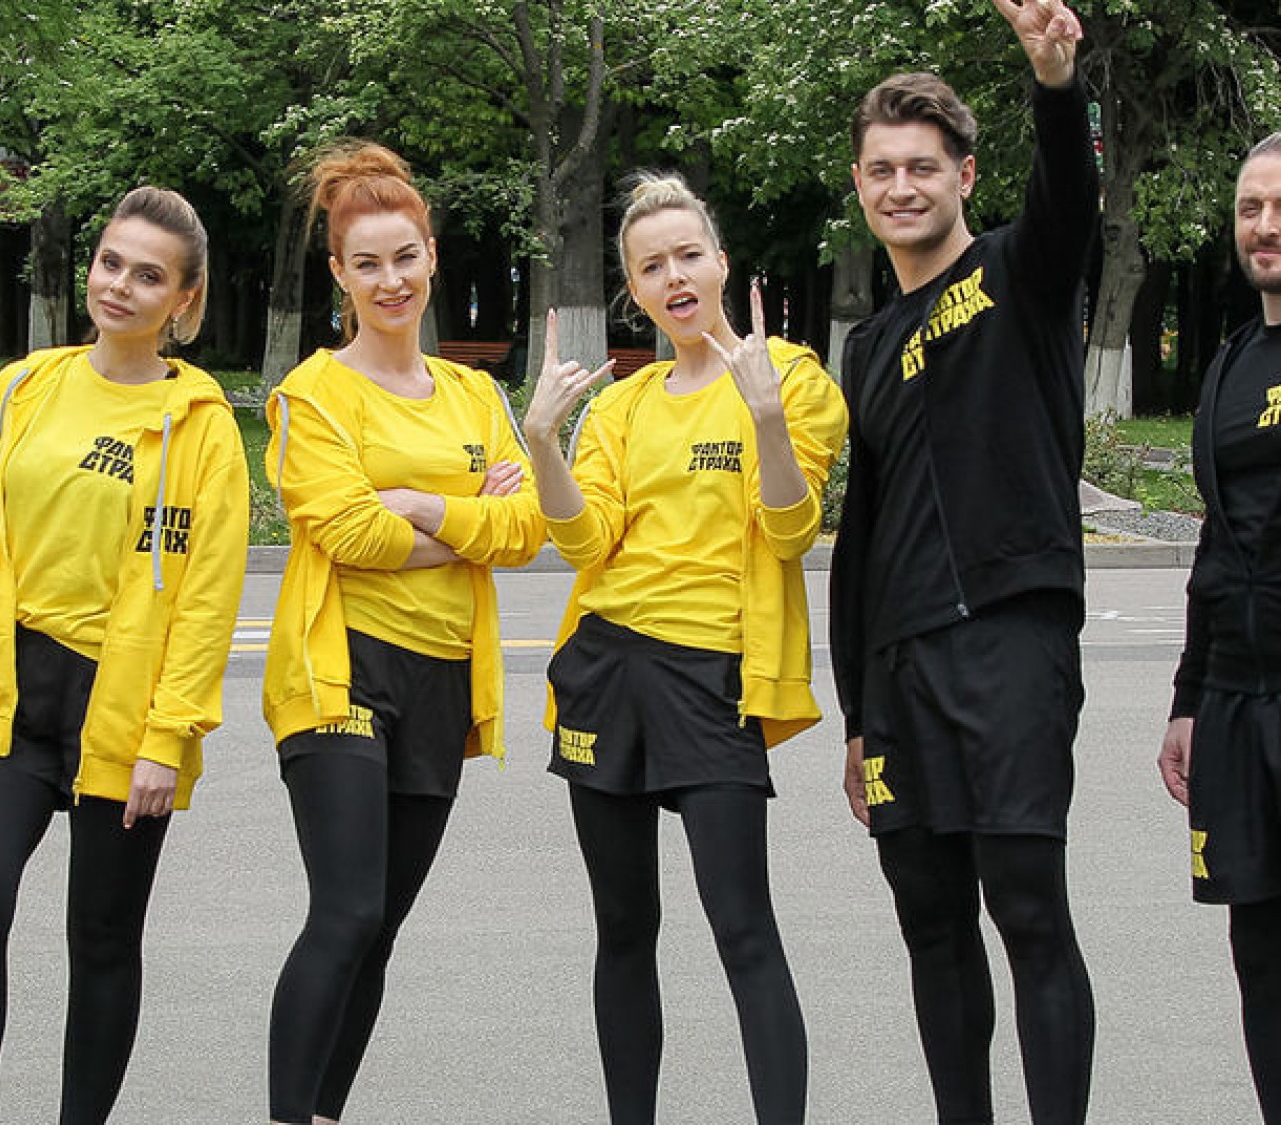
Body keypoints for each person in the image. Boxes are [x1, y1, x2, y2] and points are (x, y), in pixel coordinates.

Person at [524, 174, 847, 1124]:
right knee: (624, 928)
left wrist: (768, 419)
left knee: (744, 928)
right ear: (634, 288)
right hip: (606, 668)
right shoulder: (624, 406)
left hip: (714, 677)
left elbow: (790, 530)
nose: (674, 277)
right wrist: (542, 441)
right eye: (651, 266)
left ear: (721, 263)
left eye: (688, 256)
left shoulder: (787, 377)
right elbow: (587, 542)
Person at [0, 186, 249, 1125]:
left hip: (126, 709)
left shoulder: (203, 427)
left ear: (183, 300)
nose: (120, 286)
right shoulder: (19, 392)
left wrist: (167, 737)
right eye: (111, 262)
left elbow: (207, 601)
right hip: (8, 690)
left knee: (103, 938)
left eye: (149, 276)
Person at [829, 2, 1099, 1122]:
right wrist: (857, 711)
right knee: (931, 928)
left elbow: (1068, 202)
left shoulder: (1017, 275)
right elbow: (861, 538)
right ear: (860, 185)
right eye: (882, 170)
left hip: (1009, 641)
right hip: (901, 677)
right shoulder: (866, 347)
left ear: (965, 176)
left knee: (1027, 910)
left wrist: (1055, 83)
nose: (902, 187)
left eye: (923, 167)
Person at [262, 141, 544, 1125]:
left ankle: (323, 1113)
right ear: (339, 274)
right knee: (345, 912)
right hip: (339, 672)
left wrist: (421, 503)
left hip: (440, 682)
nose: (391, 281)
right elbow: (346, 532)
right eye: (368, 263)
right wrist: (467, 519)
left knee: (378, 926)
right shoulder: (312, 396)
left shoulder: (474, 396)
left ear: (431, 257)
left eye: (405, 258)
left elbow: (525, 530)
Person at [1159, 131, 1281, 1124]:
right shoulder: (1233, 362)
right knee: (1261, 955)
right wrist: (1188, 700)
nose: (1265, 226)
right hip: (1237, 708)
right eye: (1250, 208)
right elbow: (1214, 545)